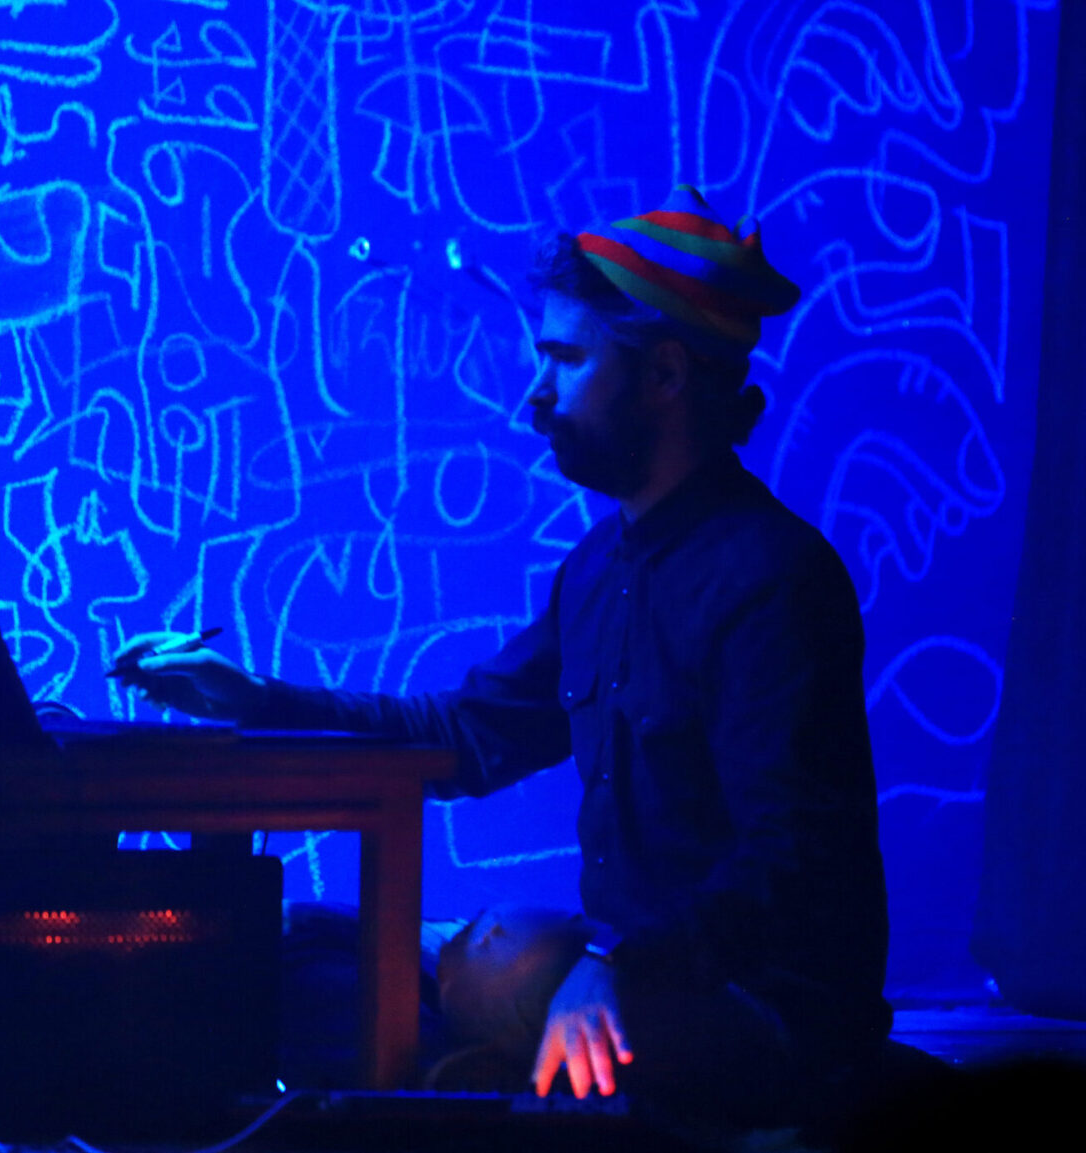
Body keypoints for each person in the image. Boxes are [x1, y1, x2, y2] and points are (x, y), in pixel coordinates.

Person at [112, 186, 891, 1133]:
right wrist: (257, 697)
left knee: (499, 966)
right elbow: (467, 733)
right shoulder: (598, 569)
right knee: (290, 944)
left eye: (567, 359)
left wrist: (615, 963)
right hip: (620, 971)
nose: (537, 396)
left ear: (666, 373)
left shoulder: (771, 577)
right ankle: (493, 1075)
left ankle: (495, 1070)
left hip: (751, 1009)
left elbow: (792, 861)